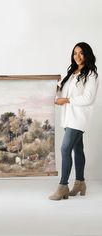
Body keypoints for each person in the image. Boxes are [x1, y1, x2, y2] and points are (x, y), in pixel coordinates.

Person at [49, 42, 99, 200]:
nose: (77, 56)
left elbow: (88, 98)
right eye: (75, 53)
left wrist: (67, 100)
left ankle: (63, 186)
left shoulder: (91, 74)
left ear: (87, 55)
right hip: (68, 118)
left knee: (65, 149)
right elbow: (62, 92)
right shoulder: (71, 73)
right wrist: (54, 86)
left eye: (81, 53)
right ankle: (80, 183)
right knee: (77, 149)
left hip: (79, 119)